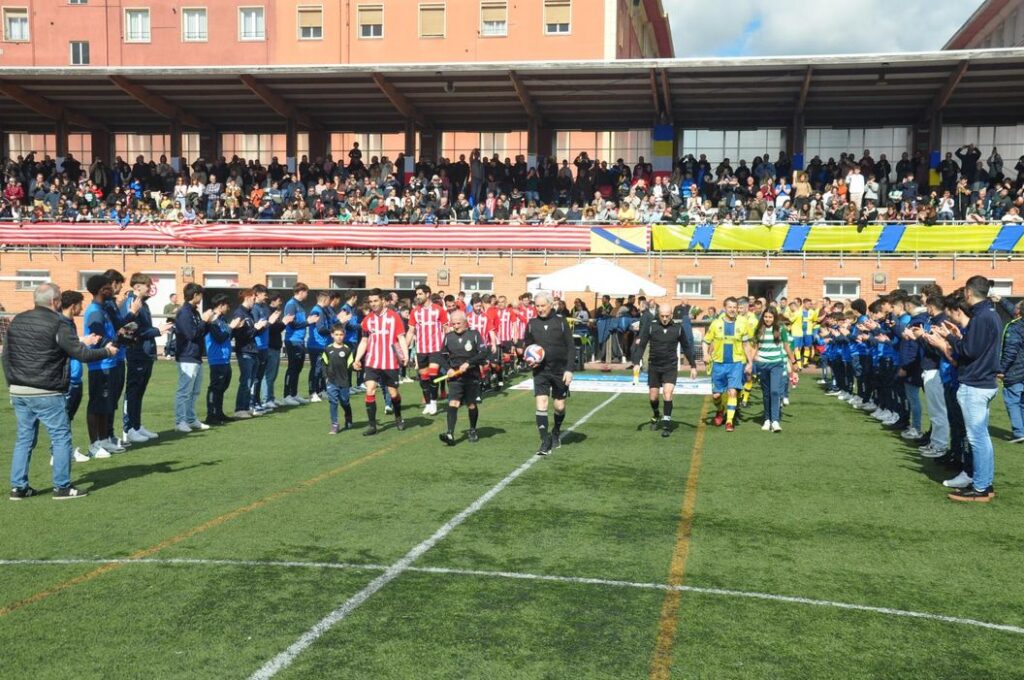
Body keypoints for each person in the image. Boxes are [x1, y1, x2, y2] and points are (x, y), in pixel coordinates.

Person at [6, 283, 117, 500]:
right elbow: (81, 354)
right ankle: (62, 486)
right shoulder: (59, 322)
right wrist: (107, 351)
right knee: (61, 436)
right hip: (46, 389)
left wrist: (11, 381)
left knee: (24, 438)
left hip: (19, 389)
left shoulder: (18, 319)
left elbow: (6, 355)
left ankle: (18, 487)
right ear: (55, 302)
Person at [941, 276, 1002, 502]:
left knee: (977, 438)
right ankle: (984, 482)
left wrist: (950, 337)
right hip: (983, 381)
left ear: (968, 292)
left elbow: (969, 351)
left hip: (976, 383)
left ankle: (980, 487)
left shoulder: (981, 316)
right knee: (981, 437)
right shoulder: (991, 314)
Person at [635, 304, 698, 438]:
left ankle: (666, 424)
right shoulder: (651, 327)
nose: (664, 319)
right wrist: (636, 363)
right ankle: (656, 413)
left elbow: (686, 347)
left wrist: (693, 366)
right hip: (654, 366)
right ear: (658, 315)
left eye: (667, 316)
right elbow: (642, 345)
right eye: (662, 316)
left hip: (670, 366)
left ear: (671, 315)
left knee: (668, 394)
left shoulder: (678, 329)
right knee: (653, 396)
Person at [353, 288, 409, 436]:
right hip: (372, 361)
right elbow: (364, 341)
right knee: (370, 389)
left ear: (383, 301)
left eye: (375, 301)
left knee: (393, 393)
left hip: (390, 362)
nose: (373, 304)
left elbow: (401, 338)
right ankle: (372, 426)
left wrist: (405, 355)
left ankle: (398, 417)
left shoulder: (394, 317)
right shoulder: (367, 320)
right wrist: (357, 359)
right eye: (370, 301)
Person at [123, 273, 171, 443]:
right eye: (147, 285)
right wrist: (157, 331)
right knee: (133, 391)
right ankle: (128, 428)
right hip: (136, 352)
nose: (150, 287)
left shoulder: (144, 304)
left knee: (140, 391)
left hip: (146, 352)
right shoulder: (132, 303)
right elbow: (133, 330)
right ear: (137, 286)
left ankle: (136, 425)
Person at [524, 293, 575, 456]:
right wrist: (529, 360)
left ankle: (556, 431)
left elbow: (571, 347)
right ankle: (545, 440)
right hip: (541, 371)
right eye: (537, 306)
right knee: (542, 403)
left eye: (542, 306)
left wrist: (569, 369)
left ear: (550, 305)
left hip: (560, 371)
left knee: (559, 407)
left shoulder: (561, 322)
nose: (539, 309)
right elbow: (527, 347)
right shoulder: (532, 324)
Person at [83, 274, 126, 458]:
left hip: (110, 362)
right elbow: (97, 337)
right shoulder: (95, 310)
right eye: (109, 287)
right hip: (99, 365)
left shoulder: (103, 309)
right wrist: (114, 341)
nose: (112, 290)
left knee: (106, 404)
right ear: (102, 289)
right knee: (96, 405)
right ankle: (94, 444)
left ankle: (104, 439)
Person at [439, 310, 490, 446]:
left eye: (458, 323)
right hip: (455, 377)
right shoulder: (448, 337)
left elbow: (484, 352)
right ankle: (450, 433)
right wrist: (448, 369)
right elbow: (441, 356)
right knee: (453, 403)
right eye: (453, 323)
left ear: (465, 322)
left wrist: (469, 363)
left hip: (471, 375)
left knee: (471, 404)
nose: (456, 326)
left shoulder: (474, 335)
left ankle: (472, 430)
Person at [703, 297, 750, 432]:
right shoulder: (715, 324)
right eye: (730, 307)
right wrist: (706, 354)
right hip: (718, 364)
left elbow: (746, 344)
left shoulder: (742, 325)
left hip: (736, 364)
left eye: (734, 307)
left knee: (732, 392)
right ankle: (720, 410)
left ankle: (729, 421)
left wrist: (750, 362)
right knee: (716, 395)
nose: (732, 310)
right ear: (724, 308)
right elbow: (706, 341)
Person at [746, 308, 795, 432]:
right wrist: (750, 364)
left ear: (775, 318)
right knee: (766, 393)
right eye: (766, 317)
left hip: (777, 364)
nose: (768, 319)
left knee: (775, 391)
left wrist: (793, 361)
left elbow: (786, 346)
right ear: (763, 317)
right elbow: (755, 348)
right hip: (762, 364)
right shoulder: (759, 330)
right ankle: (767, 419)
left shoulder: (781, 329)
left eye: (770, 317)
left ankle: (775, 420)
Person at [174, 282, 214, 432]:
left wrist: (207, 322)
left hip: (196, 355)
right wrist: (204, 321)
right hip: (186, 356)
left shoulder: (194, 312)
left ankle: (190, 418)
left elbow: (201, 332)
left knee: (195, 391)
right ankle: (180, 421)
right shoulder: (184, 312)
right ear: (195, 295)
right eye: (200, 294)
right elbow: (191, 334)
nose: (201, 297)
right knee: (184, 391)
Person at [407, 284, 449, 415]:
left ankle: (434, 403)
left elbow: (446, 328)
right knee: (424, 378)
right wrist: (404, 349)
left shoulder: (439, 310)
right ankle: (429, 402)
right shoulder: (415, 311)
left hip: (436, 348)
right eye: (417, 294)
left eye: (420, 294)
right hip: (421, 349)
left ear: (427, 294)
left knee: (433, 374)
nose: (417, 296)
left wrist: (450, 345)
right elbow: (410, 331)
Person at [59, 291, 91, 462]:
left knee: (68, 418)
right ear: (73, 305)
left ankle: (63, 451)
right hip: (68, 379)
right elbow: (67, 347)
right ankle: (59, 453)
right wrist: (84, 342)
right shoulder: (61, 324)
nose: (82, 307)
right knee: (63, 420)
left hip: (76, 376)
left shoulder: (69, 322)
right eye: (80, 304)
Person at [231, 288, 269, 419]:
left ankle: (247, 407)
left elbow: (251, 333)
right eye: (253, 298)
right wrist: (255, 328)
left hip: (253, 350)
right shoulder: (239, 313)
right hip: (245, 351)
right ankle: (240, 408)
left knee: (251, 380)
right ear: (247, 297)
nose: (255, 300)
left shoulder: (249, 314)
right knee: (246, 381)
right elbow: (240, 335)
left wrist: (260, 327)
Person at [205, 294, 240, 425]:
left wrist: (233, 329)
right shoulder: (213, 319)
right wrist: (231, 328)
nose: (228, 308)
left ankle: (219, 413)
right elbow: (219, 338)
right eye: (227, 305)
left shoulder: (222, 319)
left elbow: (226, 337)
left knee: (223, 387)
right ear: (221, 305)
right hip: (216, 358)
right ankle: (211, 415)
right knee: (215, 387)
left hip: (225, 358)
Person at [282, 283, 319, 406]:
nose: (307, 294)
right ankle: (287, 395)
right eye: (306, 292)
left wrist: (307, 322)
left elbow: (300, 322)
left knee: (298, 368)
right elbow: (291, 324)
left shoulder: (299, 305)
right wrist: (308, 322)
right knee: (292, 367)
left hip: (300, 340)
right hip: (292, 340)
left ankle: (294, 393)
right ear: (301, 291)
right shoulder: (291, 305)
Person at [998, 300, 1024, 444]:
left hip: (1015, 371)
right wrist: (1001, 300)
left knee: (1012, 401)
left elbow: (1010, 351)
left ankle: (1019, 432)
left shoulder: (1015, 327)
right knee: (1022, 402)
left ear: (1019, 312)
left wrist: (1001, 369)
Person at [323, 321, 355, 433]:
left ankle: (348, 416)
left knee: (345, 401)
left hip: (344, 381)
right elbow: (324, 364)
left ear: (344, 335)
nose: (339, 337)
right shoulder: (328, 349)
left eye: (341, 335)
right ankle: (334, 424)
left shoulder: (347, 349)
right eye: (336, 334)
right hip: (332, 381)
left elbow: (351, 365)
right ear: (332, 335)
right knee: (333, 401)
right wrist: (326, 377)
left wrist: (356, 366)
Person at [306, 290, 333, 402]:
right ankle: (313, 392)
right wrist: (333, 331)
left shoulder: (323, 310)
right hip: (316, 344)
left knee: (322, 369)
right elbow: (320, 328)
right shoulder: (317, 310)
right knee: (315, 369)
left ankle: (321, 390)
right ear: (325, 300)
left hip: (323, 344)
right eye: (328, 300)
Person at [261, 293, 286, 408]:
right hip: (270, 346)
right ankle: (266, 399)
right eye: (279, 300)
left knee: (273, 374)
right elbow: (270, 329)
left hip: (275, 346)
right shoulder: (268, 312)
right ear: (273, 301)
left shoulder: (275, 312)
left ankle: (271, 397)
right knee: (269, 375)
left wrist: (281, 323)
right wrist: (283, 323)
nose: (280, 303)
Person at [163, 292, 181, 358]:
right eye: (174, 297)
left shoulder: (179, 306)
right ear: (171, 298)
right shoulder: (167, 306)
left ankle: (176, 353)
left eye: (176, 297)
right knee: (169, 340)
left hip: (177, 324)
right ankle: (167, 353)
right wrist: (173, 312)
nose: (176, 299)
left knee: (178, 339)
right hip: (170, 324)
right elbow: (165, 315)